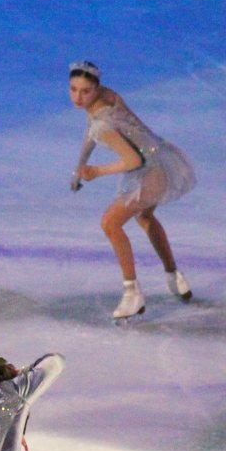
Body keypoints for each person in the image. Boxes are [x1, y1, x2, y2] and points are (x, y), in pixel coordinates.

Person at [69, 60, 196, 319]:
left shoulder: (102, 125)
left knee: (110, 224)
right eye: (73, 89)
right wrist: (78, 167)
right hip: (159, 157)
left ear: (96, 89)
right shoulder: (107, 96)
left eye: (85, 91)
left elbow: (132, 161)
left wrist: (95, 171)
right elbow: (90, 131)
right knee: (145, 217)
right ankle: (175, 277)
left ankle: (132, 294)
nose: (78, 97)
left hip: (148, 170)